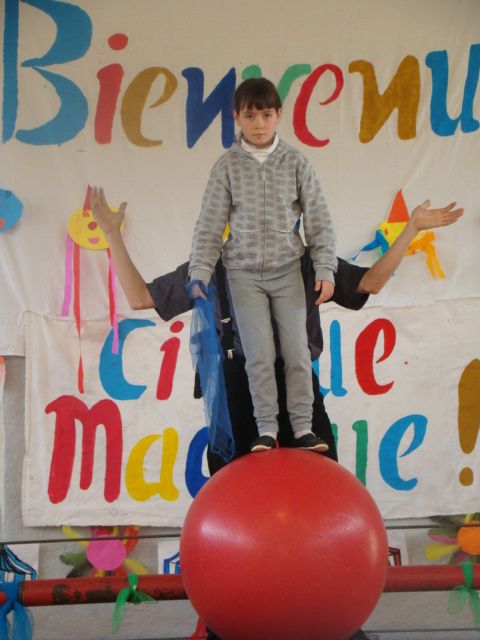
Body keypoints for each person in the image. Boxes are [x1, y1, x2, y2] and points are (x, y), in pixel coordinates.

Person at [91, 186, 461, 640]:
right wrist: (111, 233)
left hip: (298, 392)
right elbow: (141, 298)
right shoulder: (208, 269)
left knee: (318, 506)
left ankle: (321, 612)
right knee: (243, 515)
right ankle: (236, 618)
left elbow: (368, 283)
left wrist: (411, 230)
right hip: (237, 401)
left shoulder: (307, 264)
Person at [188, 77, 338, 454]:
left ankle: (303, 428)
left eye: (266, 115)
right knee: (258, 355)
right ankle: (267, 429)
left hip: (287, 270)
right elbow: (209, 223)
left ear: (278, 117)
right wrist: (199, 271)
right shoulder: (226, 167)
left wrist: (325, 269)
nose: (258, 123)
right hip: (243, 274)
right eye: (250, 115)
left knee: (296, 351)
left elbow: (319, 218)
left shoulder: (296, 162)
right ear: (237, 117)